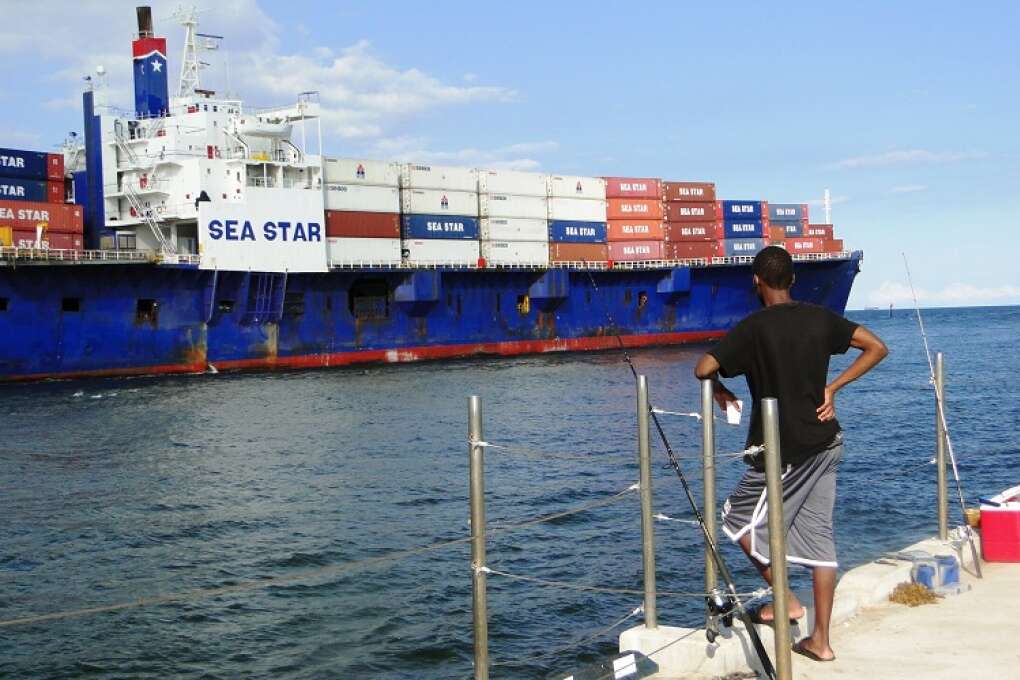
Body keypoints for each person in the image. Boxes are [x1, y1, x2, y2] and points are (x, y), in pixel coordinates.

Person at [694, 246, 887, 662]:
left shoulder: (752, 328)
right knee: (819, 539)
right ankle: (821, 641)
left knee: (735, 519)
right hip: (827, 442)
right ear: (793, 280)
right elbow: (876, 346)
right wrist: (833, 388)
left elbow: (703, 368)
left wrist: (722, 392)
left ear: (756, 281)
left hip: (780, 451)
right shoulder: (821, 317)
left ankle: (786, 601)